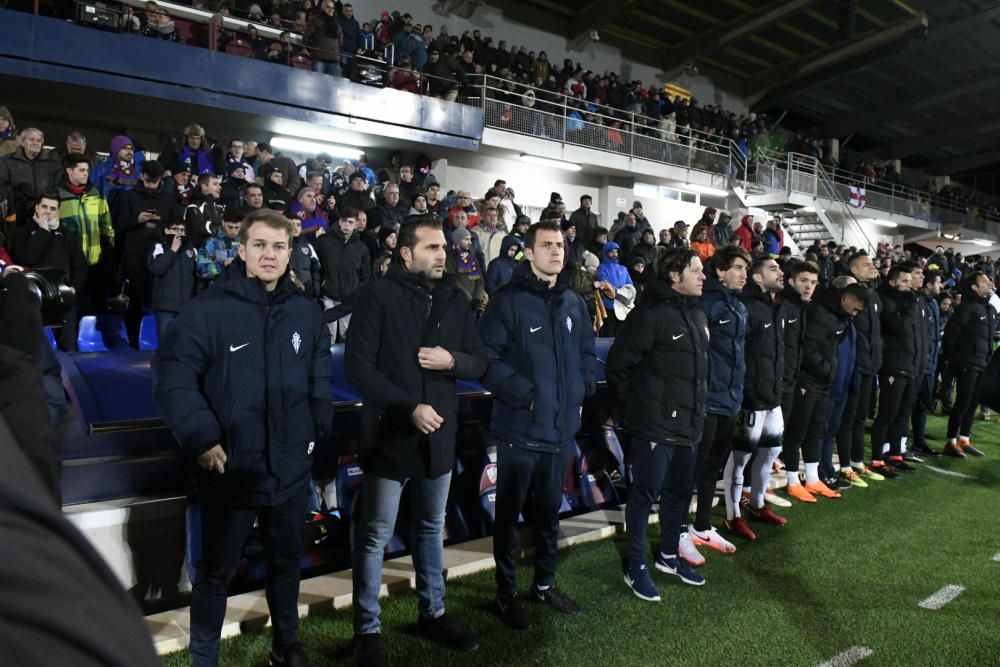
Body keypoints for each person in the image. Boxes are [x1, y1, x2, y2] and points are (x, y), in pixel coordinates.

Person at [152, 210, 332, 667]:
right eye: (259, 245)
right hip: (231, 466)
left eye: (278, 246)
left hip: (290, 468)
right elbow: (173, 377)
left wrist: (314, 432)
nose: (269, 255)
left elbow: (318, 380)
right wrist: (201, 437)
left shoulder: (306, 312)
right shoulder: (207, 309)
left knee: (286, 562)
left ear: (290, 252)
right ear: (242, 250)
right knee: (215, 574)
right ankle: (204, 660)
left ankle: (286, 647)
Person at [345, 216, 487, 666]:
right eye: (431, 248)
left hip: (439, 438)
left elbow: (479, 361)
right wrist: (409, 407)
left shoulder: (456, 296)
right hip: (391, 435)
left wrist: (453, 360)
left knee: (430, 528)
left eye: (443, 247)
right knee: (375, 535)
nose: (441, 254)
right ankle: (367, 630)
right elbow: (358, 368)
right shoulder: (378, 295)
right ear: (405, 254)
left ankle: (434, 612)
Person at [478, 221, 596, 629]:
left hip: (559, 431)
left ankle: (544, 584)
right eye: (546, 245)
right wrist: (525, 395)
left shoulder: (573, 302)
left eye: (560, 245)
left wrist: (581, 387)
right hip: (519, 431)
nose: (555, 252)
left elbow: (586, 351)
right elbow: (485, 360)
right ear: (528, 252)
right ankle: (505, 593)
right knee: (509, 517)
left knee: (549, 513)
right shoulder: (507, 301)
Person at [607, 247, 709, 602]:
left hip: (689, 426)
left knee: (679, 493)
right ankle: (636, 568)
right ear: (673, 276)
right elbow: (619, 368)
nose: (702, 276)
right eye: (696, 270)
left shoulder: (695, 314)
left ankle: (668, 556)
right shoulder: (648, 314)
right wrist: (637, 416)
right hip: (655, 427)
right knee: (644, 497)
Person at [689, 246, 749, 551]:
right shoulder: (707, 305)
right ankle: (684, 528)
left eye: (745, 269)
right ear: (720, 271)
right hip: (709, 398)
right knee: (697, 466)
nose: (743, 275)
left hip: (730, 399)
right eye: (737, 268)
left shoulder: (739, 307)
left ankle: (701, 525)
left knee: (713, 467)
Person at [783, 281, 865, 501]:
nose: (856, 314)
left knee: (815, 430)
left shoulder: (839, 316)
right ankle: (792, 481)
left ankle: (812, 478)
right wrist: (826, 369)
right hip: (807, 380)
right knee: (797, 431)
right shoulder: (819, 312)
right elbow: (809, 349)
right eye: (856, 308)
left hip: (823, 381)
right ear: (846, 298)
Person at [725, 257, 787, 538]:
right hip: (751, 397)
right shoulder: (747, 308)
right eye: (773, 269)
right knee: (740, 457)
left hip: (772, 396)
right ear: (758, 278)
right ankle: (732, 515)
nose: (780, 272)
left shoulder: (775, 307)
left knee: (772, 450)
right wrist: (744, 390)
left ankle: (758, 503)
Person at [7, 193, 88, 351]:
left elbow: (81, 267)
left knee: (68, 347)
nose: (48, 212)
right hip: (33, 299)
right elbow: (28, 258)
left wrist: (73, 288)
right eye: (44, 207)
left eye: (53, 208)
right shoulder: (21, 233)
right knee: (36, 349)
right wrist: (43, 232)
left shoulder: (69, 235)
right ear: (36, 208)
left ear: (58, 211)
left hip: (63, 299)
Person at [835, 252, 887, 484]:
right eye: (866, 265)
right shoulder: (848, 296)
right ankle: (845, 466)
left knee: (859, 417)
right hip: (854, 366)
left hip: (869, 366)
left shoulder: (873, 296)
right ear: (854, 270)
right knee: (848, 418)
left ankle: (857, 462)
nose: (872, 267)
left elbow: (876, 334)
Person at [869, 264, 921, 478]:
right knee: (887, 413)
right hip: (893, 364)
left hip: (909, 364)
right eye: (905, 281)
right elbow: (896, 326)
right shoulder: (885, 300)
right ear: (892, 282)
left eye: (911, 281)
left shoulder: (908, 302)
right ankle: (877, 459)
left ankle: (895, 455)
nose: (910, 286)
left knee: (902, 412)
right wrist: (908, 306)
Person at [941, 271, 996, 457]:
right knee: (963, 401)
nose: (990, 283)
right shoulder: (966, 307)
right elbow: (951, 333)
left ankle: (964, 439)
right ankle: (950, 442)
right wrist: (952, 358)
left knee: (974, 402)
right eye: (985, 281)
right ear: (974, 287)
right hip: (967, 362)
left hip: (982, 362)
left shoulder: (988, 308)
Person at [314, 207, 370, 342]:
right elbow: (315, 266)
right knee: (328, 337)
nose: (347, 225)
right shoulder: (324, 241)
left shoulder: (361, 247)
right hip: (328, 295)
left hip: (350, 299)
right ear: (339, 221)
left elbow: (366, 276)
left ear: (356, 224)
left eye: (350, 222)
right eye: (344, 221)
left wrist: (357, 294)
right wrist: (320, 287)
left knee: (348, 338)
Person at [908, 269, 943, 459]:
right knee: (907, 405)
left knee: (922, 405)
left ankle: (918, 442)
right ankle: (898, 445)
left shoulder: (934, 304)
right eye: (938, 282)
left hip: (930, 364)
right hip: (918, 364)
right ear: (929, 285)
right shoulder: (918, 302)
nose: (941, 286)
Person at [148, 220, 198, 341]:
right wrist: (172, 251)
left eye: (182, 230)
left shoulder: (191, 250)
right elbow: (156, 269)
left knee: (183, 345)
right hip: (165, 307)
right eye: (176, 229)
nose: (180, 233)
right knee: (165, 344)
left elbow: (198, 276)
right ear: (166, 230)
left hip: (185, 308)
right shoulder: (159, 247)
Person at [594, 242, 632, 336]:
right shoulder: (602, 268)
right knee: (608, 334)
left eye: (616, 252)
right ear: (605, 253)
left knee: (621, 335)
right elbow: (605, 284)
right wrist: (619, 292)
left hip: (623, 307)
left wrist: (623, 293)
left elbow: (630, 285)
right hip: (609, 306)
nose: (615, 254)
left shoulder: (623, 268)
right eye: (611, 252)